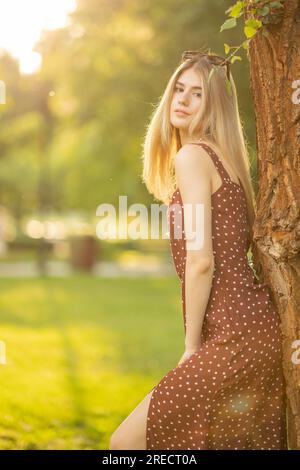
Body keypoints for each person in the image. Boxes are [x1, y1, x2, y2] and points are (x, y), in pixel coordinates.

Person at [109, 49, 288, 450]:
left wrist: (191, 347)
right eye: (179, 89)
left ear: (213, 107)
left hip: (233, 335)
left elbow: (201, 261)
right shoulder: (224, 159)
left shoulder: (193, 157)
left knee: (125, 444)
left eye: (197, 94)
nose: (182, 100)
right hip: (253, 327)